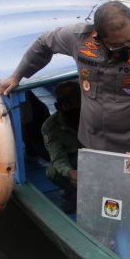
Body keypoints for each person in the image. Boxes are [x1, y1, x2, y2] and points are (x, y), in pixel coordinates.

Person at [0, 1, 130, 173]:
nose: (126, 48)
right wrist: (17, 75)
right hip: (91, 141)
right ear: (98, 36)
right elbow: (44, 43)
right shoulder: (79, 39)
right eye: (116, 45)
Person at [42, 81, 82, 213]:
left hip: (98, 156)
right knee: (53, 172)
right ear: (58, 106)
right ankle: (72, 195)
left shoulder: (95, 116)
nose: (75, 110)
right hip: (73, 161)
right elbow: (58, 157)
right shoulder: (50, 127)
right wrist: (70, 173)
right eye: (69, 105)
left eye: (78, 103)